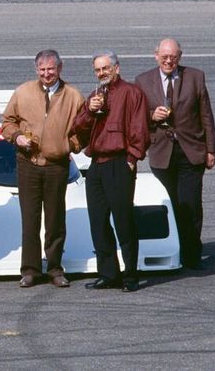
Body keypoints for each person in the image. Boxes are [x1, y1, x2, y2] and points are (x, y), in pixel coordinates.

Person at [1, 50, 84, 288]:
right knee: (30, 218)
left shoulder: (73, 96)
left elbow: (83, 128)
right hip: (28, 164)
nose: (47, 73)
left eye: (51, 68)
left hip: (57, 166)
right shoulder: (23, 91)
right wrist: (16, 137)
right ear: (36, 69)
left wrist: (70, 145)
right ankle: (30, 270)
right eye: (42, 69)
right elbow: (8, 121)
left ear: (60, 68)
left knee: (56, 219)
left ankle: (55, 268)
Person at [70, 50, 150, 292]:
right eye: (97, 70)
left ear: (117, 68)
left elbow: (140, 128)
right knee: (98, 221)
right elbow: (76, 130)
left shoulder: (132, 92)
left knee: (123, 221)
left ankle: (130, 274)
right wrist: (89, 111)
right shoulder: (95, 95)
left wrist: (132, 157)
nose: (101, 73)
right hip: (96, 165)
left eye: (105, 68)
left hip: (119, 162)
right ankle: (108, 274)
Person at [135, 38, 215, 269]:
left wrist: (210, 149)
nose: (168, 61)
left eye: (173, 57)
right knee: (168, 203)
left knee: (189, 204)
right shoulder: (143, 81)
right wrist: (152, 116)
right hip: (162, 152)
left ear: (179, 57)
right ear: (156, 55)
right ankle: (173, 249)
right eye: (164, 56)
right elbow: (136, 118)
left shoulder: (196, 76)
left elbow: (206, 116)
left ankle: (191, 253)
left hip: (191, 150)